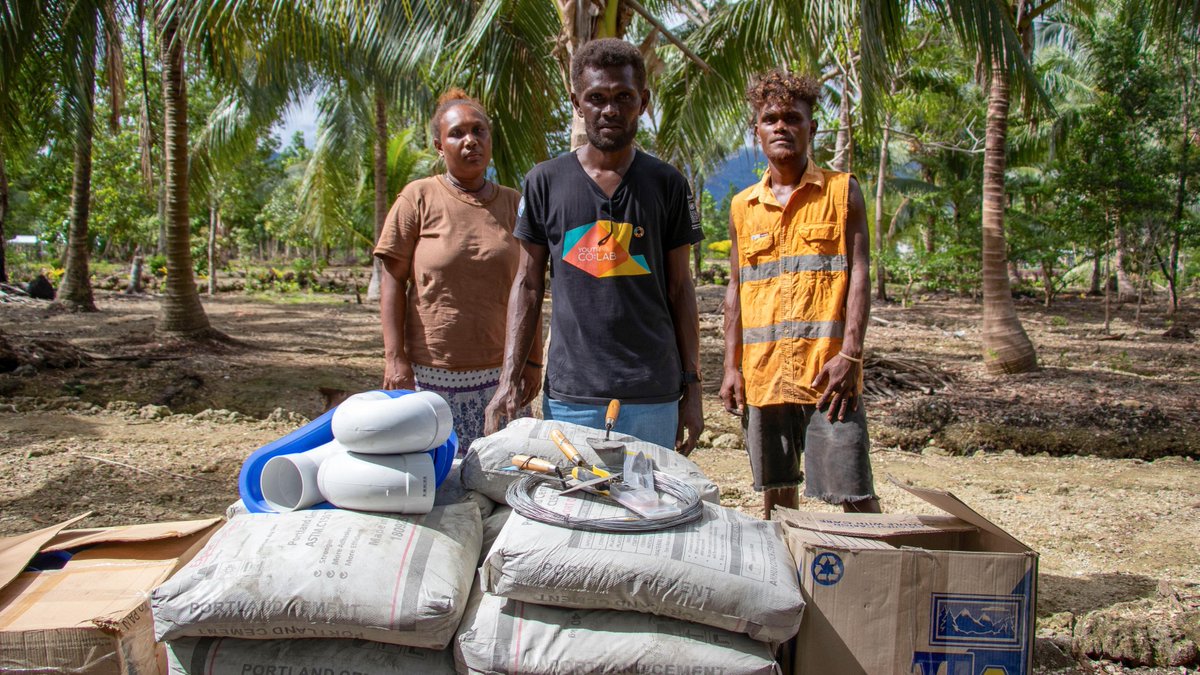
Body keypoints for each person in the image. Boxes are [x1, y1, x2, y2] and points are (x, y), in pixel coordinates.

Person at [484, 38, 704, 453]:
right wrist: (507, 382)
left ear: (643, 101)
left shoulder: (668, 184)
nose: (610, 109)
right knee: (573, 510)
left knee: (648, 510)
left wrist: (691, 387)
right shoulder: (544, 183)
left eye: (624, 96)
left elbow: (680, 289)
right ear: (576, 103)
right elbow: (528, 285)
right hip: (571, 397)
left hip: (653, 395)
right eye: (596, 97)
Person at [719, 69, 881, 518]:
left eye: (793, 117)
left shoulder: (841, 191)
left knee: (853, 489)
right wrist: (732, 367)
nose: (781, 127)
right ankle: (786, 576)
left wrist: (850, 354)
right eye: (770, 118)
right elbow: (736, 289)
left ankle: (876, 579)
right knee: (776, 490)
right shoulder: (742, 207)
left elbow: (860, 274)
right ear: (757, 130)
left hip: (827, 374)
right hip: (763, 374)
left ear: (812, 127)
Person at [374, 89, 540, 453]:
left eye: (479, 131)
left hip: (502, 375)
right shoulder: (417, 198)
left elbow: (529, 286)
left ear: (490, 139)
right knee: (435, 478)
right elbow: (392, 280)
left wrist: (532, 361)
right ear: (438, 145)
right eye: (457, 134)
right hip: (430, 375)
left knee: (504, 478)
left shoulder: (515, 203)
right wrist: (395, 358)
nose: (470, 141)